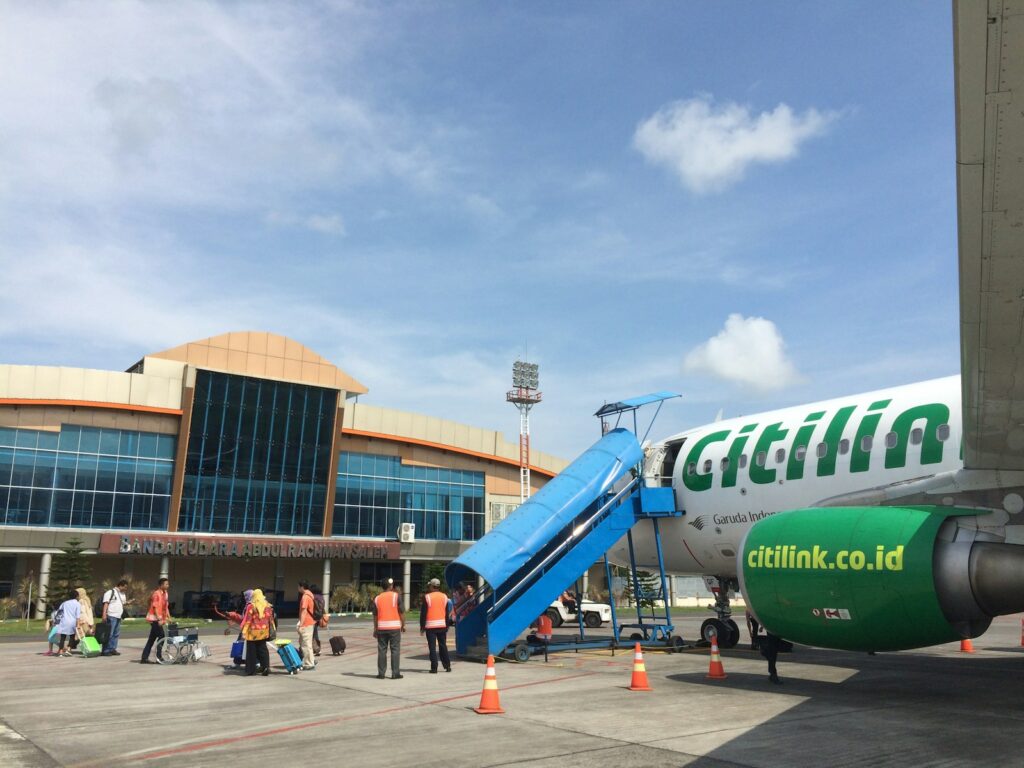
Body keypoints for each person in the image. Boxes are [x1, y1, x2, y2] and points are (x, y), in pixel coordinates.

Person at [372, 578, 405, 679]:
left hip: (382, 628)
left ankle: (381, 673)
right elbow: (401, 612)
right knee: (395, 650)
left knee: (382, 650)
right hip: (394, 627)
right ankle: (395, 673)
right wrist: (403, 625)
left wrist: (375, 628)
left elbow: (375, 616)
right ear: (391, 586)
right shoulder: (396, 596)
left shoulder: (377, 598)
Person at [419, 578, 452, 674]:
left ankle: (434, 668)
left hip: (430, 626)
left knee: (432, 647)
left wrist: (422, 627)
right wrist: (447, 625)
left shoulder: (427, 597)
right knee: (443, 646)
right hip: (442, 625)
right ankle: (447, 666)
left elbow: (423, 613)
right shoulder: (444, 596)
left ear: (432, 586)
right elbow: (446, 613)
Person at [240, 589, 275, 677]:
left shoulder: (251, 606)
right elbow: (271, 619)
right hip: (264, 632)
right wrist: (273, 629)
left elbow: (248, 621)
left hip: (252, 633)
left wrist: (244, 632)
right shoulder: (267, 605)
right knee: (263, 650)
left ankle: (251, 670)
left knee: (251, 651)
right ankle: (266, 667)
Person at [140, 577, 171, 664]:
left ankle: (144, 658)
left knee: (152, 639)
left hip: (159, 619)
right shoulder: (156, 594)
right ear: (161, 585)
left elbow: (166, 607)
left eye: (168, 584)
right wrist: (159, 619)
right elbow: (155, 607)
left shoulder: (165, 594)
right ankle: (159, 657)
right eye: (166, 584)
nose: (168, 585)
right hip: (154, 619)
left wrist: (169, 617)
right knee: (162, 636)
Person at [101, 579, 129, 656]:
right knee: (109, 633)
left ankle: (112, 648)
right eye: (125, 587)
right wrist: (104, 614)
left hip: (118, 616)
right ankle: (106, 650)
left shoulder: (123, 594)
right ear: (120, 586)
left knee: (116, 634)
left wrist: (128, 603)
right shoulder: (110, 592)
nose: (126, 589)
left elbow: (122, 603)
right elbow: (106, 604)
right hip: (111, 615)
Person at [52, 590, 81, 657]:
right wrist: (78, 624)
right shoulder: (77, 604)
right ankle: (68, 649)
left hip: (64, 621)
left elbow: (59, 612)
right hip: (72, 622)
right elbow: (78, 616)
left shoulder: (64, 603)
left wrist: (56, 621)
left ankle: (60, 651)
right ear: (77, 596)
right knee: (72, 637)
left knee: (63, 637)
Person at [296, 581, 316, 671]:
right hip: (310, 622)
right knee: (307, 643)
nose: (298, 588)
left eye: (298, 586)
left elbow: (304, 611)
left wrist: (301, 624)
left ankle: (309, 664)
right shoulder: (310, 595)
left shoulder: (305, 597)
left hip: (306, 623)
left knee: (305, 644)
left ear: (302, 587)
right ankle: (311, 660)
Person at [73, 587, 94, 651]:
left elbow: (82, 612)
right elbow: (89, 613)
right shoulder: (87, 600)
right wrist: (91, 622)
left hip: (83, 621)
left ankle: (70, 647)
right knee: (86, 636)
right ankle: (90, 648)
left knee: (80, 636)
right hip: (88, 621)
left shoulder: (81, 601)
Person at [311, 585, 326, 656]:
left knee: (312, 634)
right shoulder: (321, 597)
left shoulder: (314, 597)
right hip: (319, 617)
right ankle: (317, 649)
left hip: (313, 617)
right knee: (315, 633)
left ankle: (316, 649)